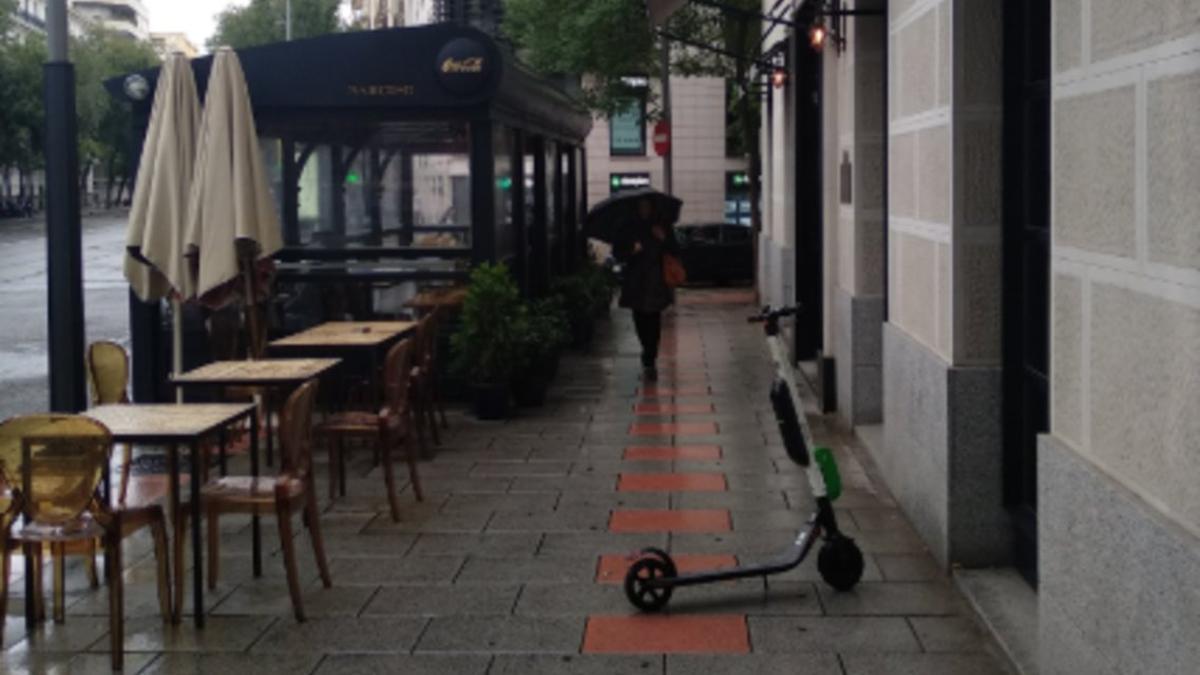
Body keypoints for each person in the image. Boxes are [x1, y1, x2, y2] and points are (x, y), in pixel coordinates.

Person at [613, 198, 680, 382]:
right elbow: (617, 253)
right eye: (641, 206)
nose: (644, 209)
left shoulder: (661, 225)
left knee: (653, 318)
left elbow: (675, 250)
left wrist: (663, 238)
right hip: (635, 281)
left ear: (653, 207)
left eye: (647, 206)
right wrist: (631, 250)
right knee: (640, 318)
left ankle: (649, 359)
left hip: (656, 280)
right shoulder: (627, 227)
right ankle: (647, 351)